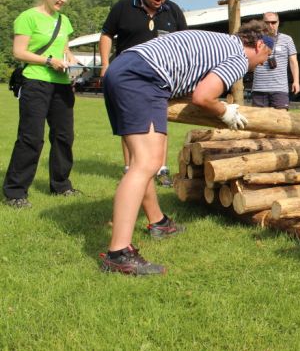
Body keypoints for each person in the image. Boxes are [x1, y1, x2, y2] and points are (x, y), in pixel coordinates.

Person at [100, 21, 274, 275]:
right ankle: (118, 253)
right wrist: (225, 111)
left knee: (145, 160)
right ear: (259, 45)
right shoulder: (237, 56)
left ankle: (158, 222)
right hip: (141, 77)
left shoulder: (221, 43)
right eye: (265, 57)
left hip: (126, 68)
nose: (260, 65)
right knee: (147, 163)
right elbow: (203, 97)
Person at [99, 0, 187, 187]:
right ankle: (130, 167)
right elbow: (106, 34)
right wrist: (105, 65)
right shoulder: (124, 6)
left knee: (159, 122)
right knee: (130, 122)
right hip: (128, 76)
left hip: (162, 77)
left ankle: (161, 169)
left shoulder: (173, 10)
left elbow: (185, 42)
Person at [3, 0, 82, 208]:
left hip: (62, 84)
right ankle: (15, 192)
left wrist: (75, 63)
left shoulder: (64, 21)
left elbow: (65, 51)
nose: (63, 0)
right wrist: (49, 60)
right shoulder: (28, 17)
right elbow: (18, 52)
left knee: (64, 136)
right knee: (31, 138)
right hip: (35, 81)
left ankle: (61, 185)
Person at [251, 12, 300, 109]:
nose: (270, 25)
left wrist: (296, 81)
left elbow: (293, 61)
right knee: (259, 122)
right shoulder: (256, 39)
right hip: (259, 88)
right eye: (267, 22)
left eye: (273, 22)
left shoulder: (287, 39)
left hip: (279, 88)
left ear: (278, 22)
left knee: (281, 120)